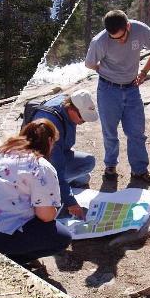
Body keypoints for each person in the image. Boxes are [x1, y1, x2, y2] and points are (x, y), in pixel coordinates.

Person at [0, 119, 72, 265]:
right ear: (49, 141)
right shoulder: (41, 166)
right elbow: (46, 216)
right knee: (62, 238)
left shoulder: (4, 151)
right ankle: (10, 260)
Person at [85, 10, 150, 185]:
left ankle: (140, 171)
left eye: (122, 37)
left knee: (136, 132)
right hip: (108, 89)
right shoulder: (100, 41)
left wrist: (144, 72)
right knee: (110, 131)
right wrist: (103, 70)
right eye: (115, 38)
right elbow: (89, 63)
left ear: (128, 26)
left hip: (132, 88)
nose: (120, 41)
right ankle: (110, 166)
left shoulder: (140, 30)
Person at [33, 89, 98, 219]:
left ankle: (64, 188)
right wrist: (70, 202)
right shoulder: (51, 129)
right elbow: (56, 170)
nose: (82, 122)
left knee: (88, 164)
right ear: (71, 109)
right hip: (41, 166)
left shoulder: (66, 102)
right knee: (63, 180)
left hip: (61, 154)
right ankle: (54, 193)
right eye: (82, 119)